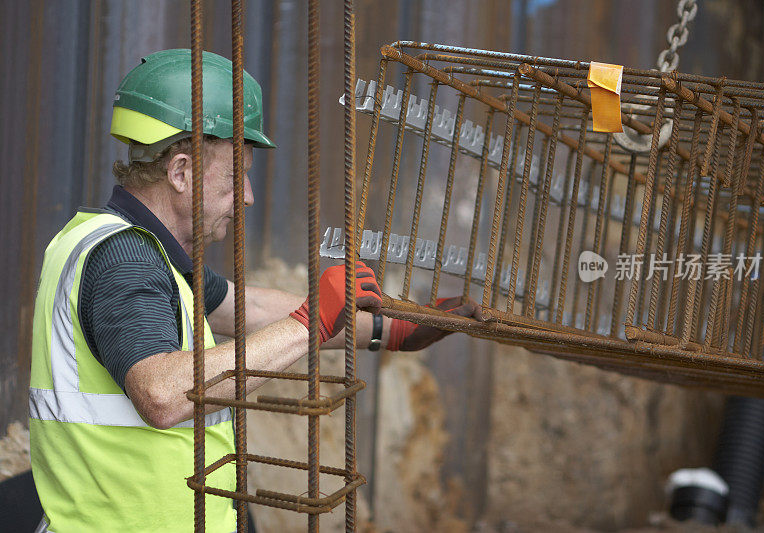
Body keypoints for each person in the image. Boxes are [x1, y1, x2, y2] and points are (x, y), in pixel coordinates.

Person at [28, 49, 477, 532]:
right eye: (234, 174)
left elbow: (246, 306)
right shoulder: (126, 261)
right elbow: (160, 393)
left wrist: (389, 330)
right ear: (180, 172)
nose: (247, 195)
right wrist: (308, 325)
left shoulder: (128, 247)